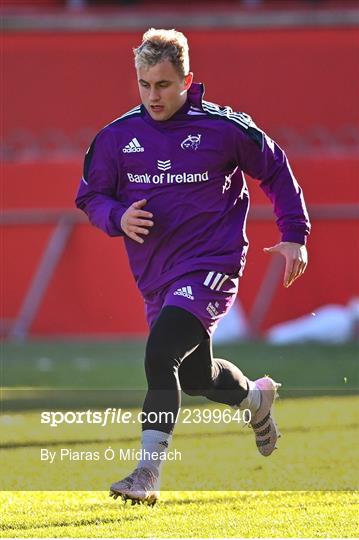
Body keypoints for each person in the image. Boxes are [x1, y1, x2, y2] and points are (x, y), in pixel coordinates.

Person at [75, 28, 310, 506]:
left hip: (212, 263)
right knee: (196, 377)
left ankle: (147, 473)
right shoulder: (117, 137)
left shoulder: (224, 128)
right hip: (156, 275)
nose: (152, 96)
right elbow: (90, 196)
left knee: (159, 355)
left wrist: (294, 236)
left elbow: (276, 169)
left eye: (162, 85)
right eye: (144, 84)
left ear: (187, 79)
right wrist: (116, 216)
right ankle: (256, 399)